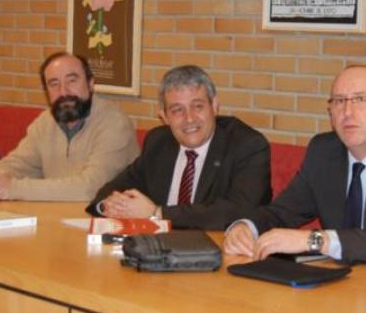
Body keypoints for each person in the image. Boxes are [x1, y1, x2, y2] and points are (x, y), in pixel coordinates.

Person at [224, 65, 366, 265]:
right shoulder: (323, 151)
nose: (347, 112)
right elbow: (283, 212)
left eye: (360, 99)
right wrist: (246, 227)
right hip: (345, 278)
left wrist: (314, 240)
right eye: (339, 101)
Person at [86, 65, 272, 230]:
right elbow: (116, 187)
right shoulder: (159, 142)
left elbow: (238, 212)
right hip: (159, 247)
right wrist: (109, 206)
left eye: (198, 106)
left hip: (219, 250)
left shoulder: (247, 146)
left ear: (215, 106)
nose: (189, 118)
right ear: (164, 116)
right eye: (177, 110)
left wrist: (157, 213)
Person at [0, 52, 139, 202]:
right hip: (56, 215)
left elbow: (90, 188)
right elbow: (20, 163)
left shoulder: (115, 123)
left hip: (103, 220)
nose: (63, 92)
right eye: (54, 84)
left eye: (72, 81)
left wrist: (13, 188)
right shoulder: (46, 122)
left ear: (91, 83)